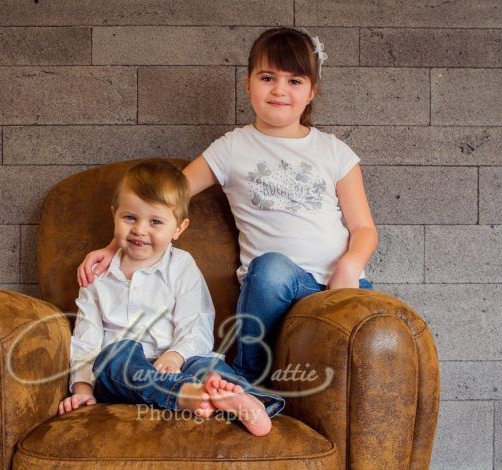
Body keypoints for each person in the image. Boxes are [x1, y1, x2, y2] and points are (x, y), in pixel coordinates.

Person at [77, 27, 378, 384]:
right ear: (248, 83)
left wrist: (350, 264)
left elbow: (364, 229)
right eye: (268, 78)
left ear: (312, 91)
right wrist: (114, 246)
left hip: (336, 285)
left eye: (294, 81)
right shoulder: (232, 148)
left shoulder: (334, 151)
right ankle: (247, 379)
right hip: (271, 288)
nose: (280, 90)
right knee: (270, 267)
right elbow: (165, 201)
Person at [58, 159, 285, 436]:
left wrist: (176, 356)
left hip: (181, 360)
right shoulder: (97, 274)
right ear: (114, 215)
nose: (140, 229)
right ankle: (187, 395)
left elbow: (197, 322)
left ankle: (249, 401)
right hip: (128, 373)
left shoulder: (181, 265)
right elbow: (86, 337)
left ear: (178, 228)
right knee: (112, 357)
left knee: (207, 365)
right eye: (130, 217)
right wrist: (82, 388)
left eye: (155, 221)